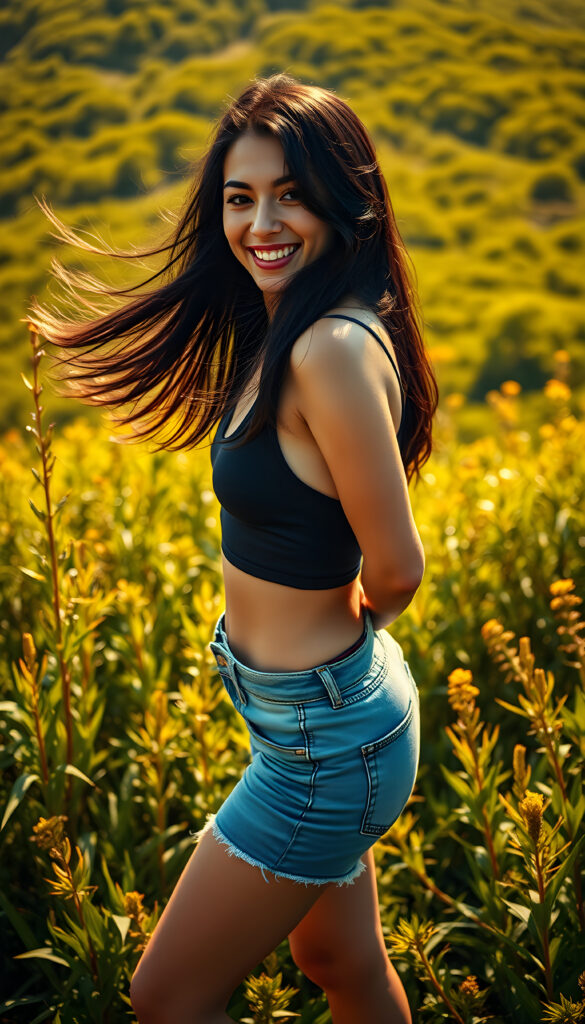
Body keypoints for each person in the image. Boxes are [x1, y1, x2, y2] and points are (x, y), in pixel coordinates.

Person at [29, 73, 438, 1024]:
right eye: (239, 196)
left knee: (166, 996)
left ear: (345, 198)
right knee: (340, 962)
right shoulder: (294, 324)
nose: (261, 221)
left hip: (321, 742)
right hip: (317, 723)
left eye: (290, 193)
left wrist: (322, 667)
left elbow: (397, 568)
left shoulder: (326, 348)